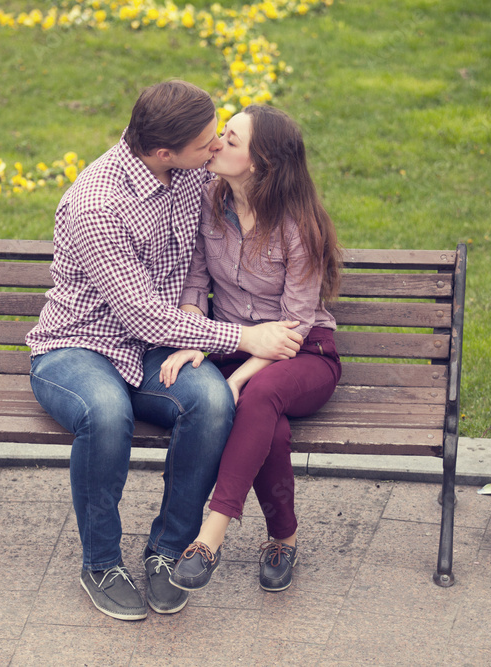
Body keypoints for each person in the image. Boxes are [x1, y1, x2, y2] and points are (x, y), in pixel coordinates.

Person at [25, 80, 305, 622]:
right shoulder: (96, 205)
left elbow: (242, 211)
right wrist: (245, 338)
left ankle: (168, 548)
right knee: (107, 413)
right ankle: (101, 563)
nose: (214, 151)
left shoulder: (188, 171)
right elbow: (139, 313)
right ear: (162, 152)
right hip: (77, 347)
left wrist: (196, 326)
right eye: (206, 144)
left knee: (214, 401)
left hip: (157, 346)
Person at [159, 104, 342, 594]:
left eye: (231, 139)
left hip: (303, 353)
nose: (216, 143)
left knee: (257, 398)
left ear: (261, 164)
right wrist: (196, 340)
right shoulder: (208, 200)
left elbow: (296, 324)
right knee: (270, 428)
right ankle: (284, 536)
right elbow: (195, 282)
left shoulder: (298, 223)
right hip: (235, 344)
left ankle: (208, 540)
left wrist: (236, 379)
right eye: (222, 134)